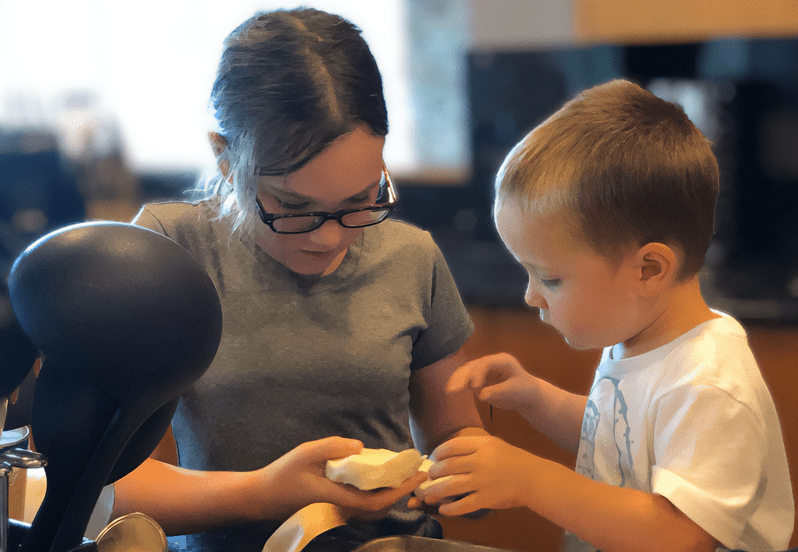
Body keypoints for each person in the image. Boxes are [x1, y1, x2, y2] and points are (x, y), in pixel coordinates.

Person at [110, 8, 485, 551]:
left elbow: (456, 441)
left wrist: (474, 475)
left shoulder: (412, 256)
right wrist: (264, 493)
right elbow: (98, 487)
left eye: (360, 201)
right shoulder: (169, 252)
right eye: (292, 207)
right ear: (225, 159)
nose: (329, 238)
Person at [412, 79, 794, 551]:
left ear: (649, 269)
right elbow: (617, 439)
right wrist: (537, 397)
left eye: (550, 278)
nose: (531, 296)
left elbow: (679, 536)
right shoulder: (640, 339)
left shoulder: (707, 383)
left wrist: (531, 480)